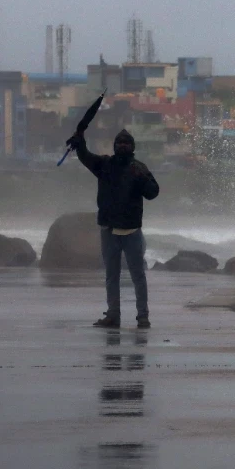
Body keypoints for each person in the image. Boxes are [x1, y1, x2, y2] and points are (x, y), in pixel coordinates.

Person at [67, 128, 160, 328]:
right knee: (111, 276)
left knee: (138, 275)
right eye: (119, 142)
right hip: (108, 229)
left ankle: (143, 316)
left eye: (126, 143)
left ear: (132, 147)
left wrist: (142, 178)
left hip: (132, 231)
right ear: (114, 146)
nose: (122, 145)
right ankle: (113, 315)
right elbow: (86, 157)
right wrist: (79, 143)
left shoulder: (139, 168)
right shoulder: (104, 165)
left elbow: (153, 193)